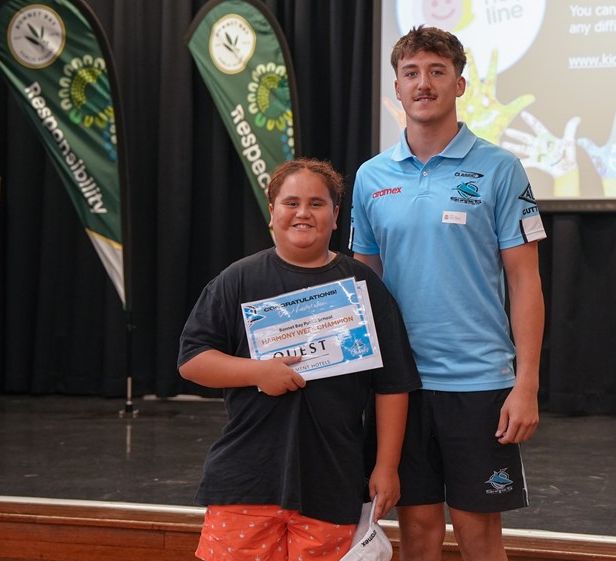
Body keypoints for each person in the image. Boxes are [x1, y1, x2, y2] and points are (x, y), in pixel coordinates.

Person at [350, 26, 547, 561]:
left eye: (437, 71)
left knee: (479, 534)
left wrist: (526, 383)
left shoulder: (500, 168)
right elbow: (363, 287)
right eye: (411, 73)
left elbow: (525, 281)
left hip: (479, 383)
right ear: (396, 87)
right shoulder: (371, 177)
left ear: (459, 84)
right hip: (399, 388)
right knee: (417, 534)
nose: (424, 83)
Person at [179, 158, 420, 561]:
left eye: (317, 203)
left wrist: (386, 466)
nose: (303, 213)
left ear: (336, 215)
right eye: (291, 202)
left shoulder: (363, 286)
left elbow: (393, 384)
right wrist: (258, 372)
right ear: (271, 211)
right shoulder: (237, 279)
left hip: (332, 481)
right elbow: (192, 360)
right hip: (246, 480)